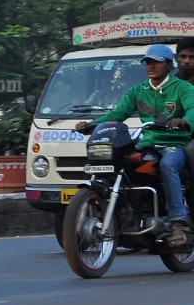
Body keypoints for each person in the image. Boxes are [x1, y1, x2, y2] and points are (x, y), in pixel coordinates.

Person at [76, 44, 194, 248]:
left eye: (156, 62)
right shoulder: (138, 91)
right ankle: (128, 214)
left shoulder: (183, 88)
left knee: (168, 165)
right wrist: (91, 125)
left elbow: (193, 109)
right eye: (148, 62)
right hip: (147, 143)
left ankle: (177, 223)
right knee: (122, 163)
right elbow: (116, 115)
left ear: (168, 65)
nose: (151, 66)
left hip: (174, 144)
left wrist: (184, 121)